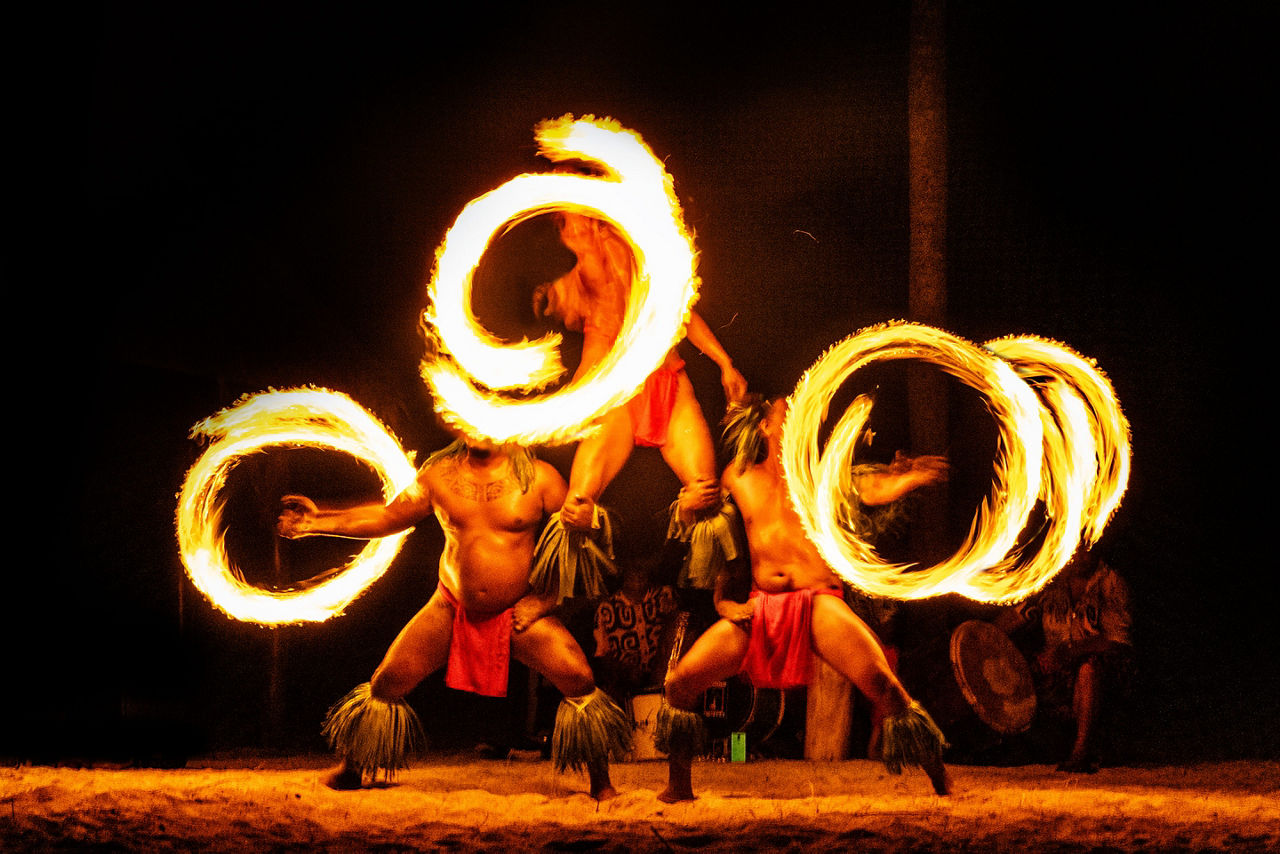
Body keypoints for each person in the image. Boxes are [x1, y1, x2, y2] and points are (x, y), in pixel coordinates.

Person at [277, 435, 630, 799]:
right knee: (387, 681)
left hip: (519, 611)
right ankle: (351, 770)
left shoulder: (540, 479)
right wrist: (319, 521)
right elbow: (387, 516)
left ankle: (601, 783)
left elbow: (583, 548)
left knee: (579, 679)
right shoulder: (438, 476)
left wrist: (548, 595)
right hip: (449, 606)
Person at [657, 396, 952, 802]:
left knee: (884, 685)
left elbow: (870, 486)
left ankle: (940, 779)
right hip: (761, 607)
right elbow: (715, 544)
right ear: (764, 425)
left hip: (817, 604)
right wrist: (720, 596)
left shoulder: (821, 478)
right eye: (787, 408)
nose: (799, 410)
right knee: (680, 684)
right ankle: (678, 787)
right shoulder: (736, 478)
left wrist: (908, 479)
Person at [531, 211, 748, 596]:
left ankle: (720, 600)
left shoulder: (646, 263)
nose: (579, 228)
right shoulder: (571, 286)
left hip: (668, 384)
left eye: (584, 220)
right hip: (616, 402)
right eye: (568, 224)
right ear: (564, 236)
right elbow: (564, 324)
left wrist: (724, 362)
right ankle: (550, 599)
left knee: (706, 492)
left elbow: (684, 315)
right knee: (576, 506)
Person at [999, 547, 1135, 773]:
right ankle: (1000, 746)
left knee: (1088, 668)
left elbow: (1116, 640)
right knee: (1012, 665)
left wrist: (1068, 652)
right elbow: (1016, 615)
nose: (1080, 556)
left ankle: (1081, 751)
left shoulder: (1111, 582)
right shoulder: (1050, 580)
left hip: (1101, 667)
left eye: (1086, 550)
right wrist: (978, 634)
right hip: (1058, 667)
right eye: (1075, 550)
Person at [592, 557, 679, 702]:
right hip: (624, 685)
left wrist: (663, 664)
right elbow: (602, 653)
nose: (637, 577)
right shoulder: (607, 608)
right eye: (632, 571)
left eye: (641, 571)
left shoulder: (662, 597)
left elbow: (676, 632)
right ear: (623, 575)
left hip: (661, 680)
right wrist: (623, 671)